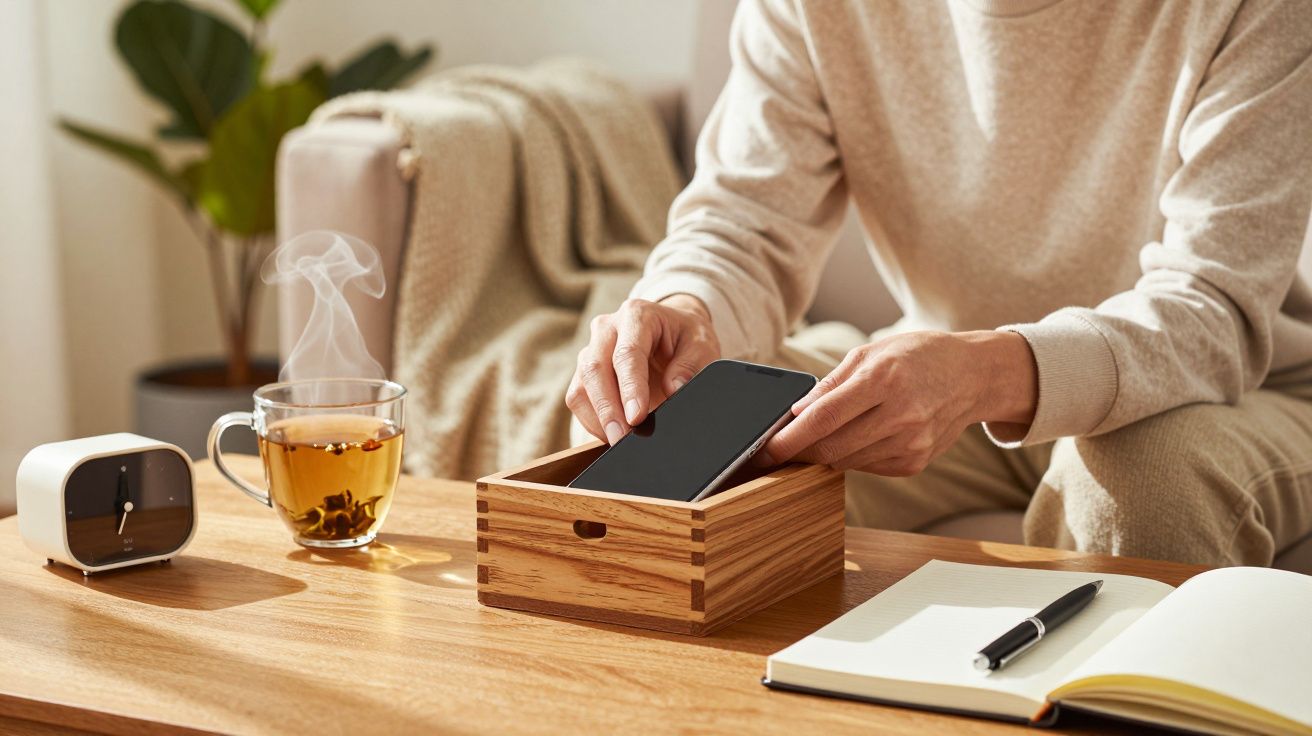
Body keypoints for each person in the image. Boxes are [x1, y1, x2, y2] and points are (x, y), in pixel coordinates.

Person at [565, 0, 1312, 567]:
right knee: (654, 451)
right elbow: (744, 223)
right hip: (945, 382)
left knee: (1140, 481)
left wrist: (984, 373)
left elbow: (1211, 307)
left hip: (1234, 391)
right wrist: (683, 307)